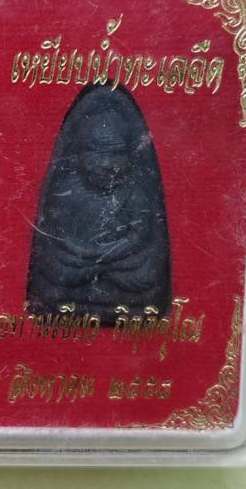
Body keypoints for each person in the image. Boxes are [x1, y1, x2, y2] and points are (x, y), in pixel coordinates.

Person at [27, 84, 171, 324]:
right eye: (97, 152)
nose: (106, 163)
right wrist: (90, 255)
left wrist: (108, 255)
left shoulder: (134, 193)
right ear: (78, 154)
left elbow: (139, 237)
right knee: (56, 271)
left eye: (116, 153)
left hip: (121, 262)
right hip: (78, 260)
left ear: (130, 155)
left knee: (148, 273)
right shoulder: (67, 191)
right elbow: (59, 236)